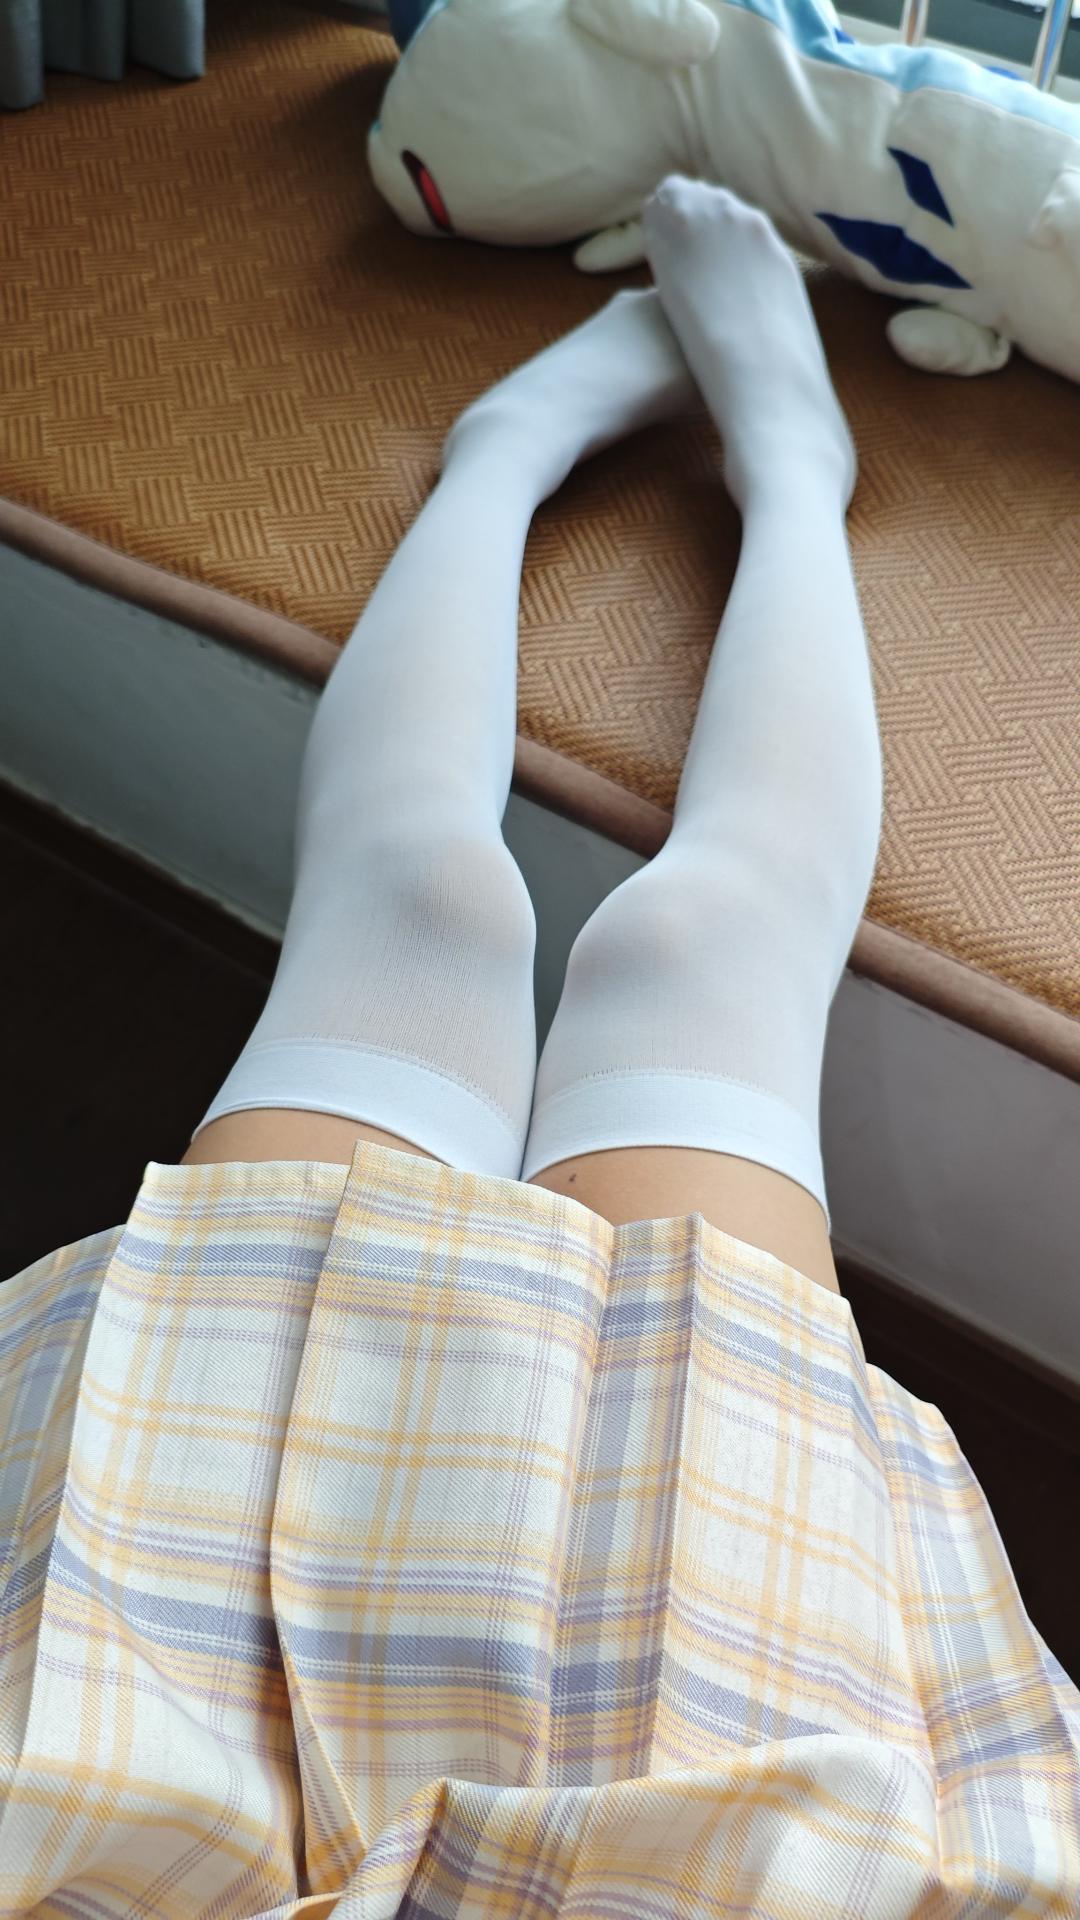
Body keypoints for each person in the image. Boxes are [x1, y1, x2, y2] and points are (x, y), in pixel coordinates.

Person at [2, 178, 1077, 1915]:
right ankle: (791, 469)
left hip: (135, 1781)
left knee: (419, 911)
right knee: (693, 952)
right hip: (701, 1829)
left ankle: (503, 459)